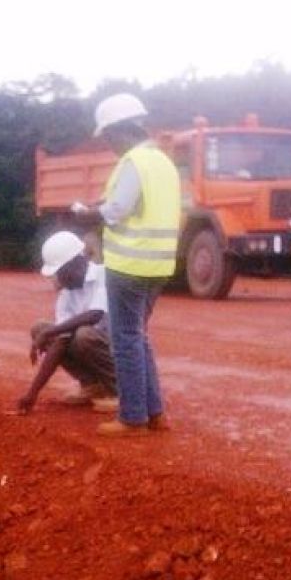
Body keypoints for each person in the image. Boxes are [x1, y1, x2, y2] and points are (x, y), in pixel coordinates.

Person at [71, 93, 180, 437]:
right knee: (138, 337)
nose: (109, 145)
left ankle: (133, 417)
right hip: (159, 264)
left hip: (130, 262)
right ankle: (154, 414)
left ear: (120, 130)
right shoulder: (162, 161)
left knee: (125, 339)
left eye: (108, 137)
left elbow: (118, 210)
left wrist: (85, 213)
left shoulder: (135, 161)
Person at [16, 231, 117, 415]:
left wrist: (51, 332)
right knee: (41, 328)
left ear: (75, 263)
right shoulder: (67, 295)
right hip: (93, 347)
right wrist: (33, 393)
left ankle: (119, 391)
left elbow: (94, 315)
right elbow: (60, 342)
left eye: (59, 272)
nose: (57, 279)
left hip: (118, 350)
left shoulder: (103, 275)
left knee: (83, 334)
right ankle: (92, 386)